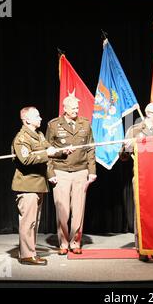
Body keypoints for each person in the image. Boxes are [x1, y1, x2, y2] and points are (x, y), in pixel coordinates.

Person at [119, 102, 153, 262]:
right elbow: (123, 156)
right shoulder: (134, 130)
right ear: (148, 114)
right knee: (142, 212)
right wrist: (126, 148)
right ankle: (142, 247)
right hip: (142, 176)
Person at [45, 96, 97, 255]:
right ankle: (63, 242)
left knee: (78, 210)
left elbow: (90, 149)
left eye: (77, 108)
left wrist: (92, 171)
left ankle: (75, 242)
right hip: (61, 171)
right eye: (73, 108)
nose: (76, 110)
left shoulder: (85, 124)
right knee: (63, 210)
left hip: (81, 171)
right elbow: (47, 150)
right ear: (65, 108)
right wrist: (50, 172)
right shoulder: (54, 125)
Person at [11, 106, 58, 266]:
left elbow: (48, 150)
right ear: (27, 120)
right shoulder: (21, 138)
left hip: (38, 185)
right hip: (27, 186)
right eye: (37, 116)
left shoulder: (38, 135)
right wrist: (47, 153)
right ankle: (26, 255)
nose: (41, 119)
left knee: (34, 222)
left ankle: (30, 252)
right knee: (28, 222)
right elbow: (26, 160)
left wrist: (62, 152)